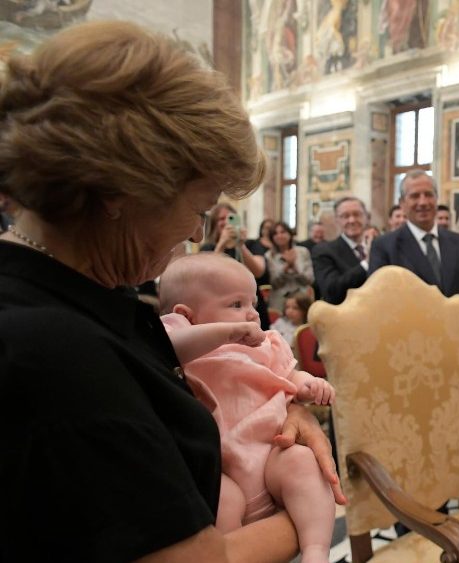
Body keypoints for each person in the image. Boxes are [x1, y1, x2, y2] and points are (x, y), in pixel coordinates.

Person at [0, 21, 344, 561]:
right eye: (198, 207)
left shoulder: (80, 297)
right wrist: (306, 516)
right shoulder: (55, 350)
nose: (194, 233)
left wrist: (281, 417)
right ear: (121, 191)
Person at [159, 254, 335, 563]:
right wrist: (224, 334)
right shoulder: (179, 337)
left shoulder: (265, 344)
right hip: (221, 467)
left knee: (303, 462)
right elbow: (164, 349)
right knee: (222, 501)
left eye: (253, 304)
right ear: (186, 315)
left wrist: (307, 384)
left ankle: (316, 551)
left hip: (271, 452)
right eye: (236, 305)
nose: (252, 315)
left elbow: (287, 375)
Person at [369, 170, 459, 384]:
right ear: (402, 203)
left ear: (436, 198)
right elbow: (380, 304)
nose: (422, 202)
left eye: (428, 195)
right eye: (414, 196)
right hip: (409, 362)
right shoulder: (385, 246)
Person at [203, 202, 272, 330]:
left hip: (253, 305)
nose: (226, 222)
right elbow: (206, 275)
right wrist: (222, 244)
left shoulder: (251, 244)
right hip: (221, 306)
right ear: (214, 225)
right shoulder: (208, 248)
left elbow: (259, 271)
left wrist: (241, 245)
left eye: (231, 218)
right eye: (221, 219)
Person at [312, 196, 370, 305]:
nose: (352, 220)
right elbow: (331, 291)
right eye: (345, 216)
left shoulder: (379, 247)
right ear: (337, 220)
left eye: (357, 214)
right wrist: (366, 264)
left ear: (366, 217)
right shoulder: (324, 251)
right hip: (346, 317)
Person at [264, 221, 314, 308]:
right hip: (279, 301)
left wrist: (294, 267)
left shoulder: (303, 252)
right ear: (272, 238)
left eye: (283, 232)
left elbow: (309, 280)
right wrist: (286, 267)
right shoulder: (269, 256)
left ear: (290, 234)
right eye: (275, 233)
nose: (279, 236)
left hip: (301, 300)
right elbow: (274, 283)